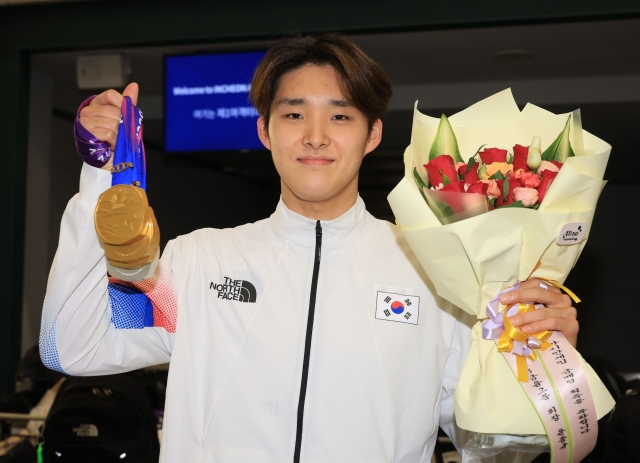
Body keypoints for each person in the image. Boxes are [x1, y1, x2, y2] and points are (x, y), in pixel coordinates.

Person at [41, 34, 578, 462]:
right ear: (266, 132)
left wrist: (540, 359)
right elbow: (74, 344)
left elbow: (495, 445)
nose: (316, 135)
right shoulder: (198, 266)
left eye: (340, 116)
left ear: (371, 135)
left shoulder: (438, 272)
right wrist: (99, 177)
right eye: (294, 114)